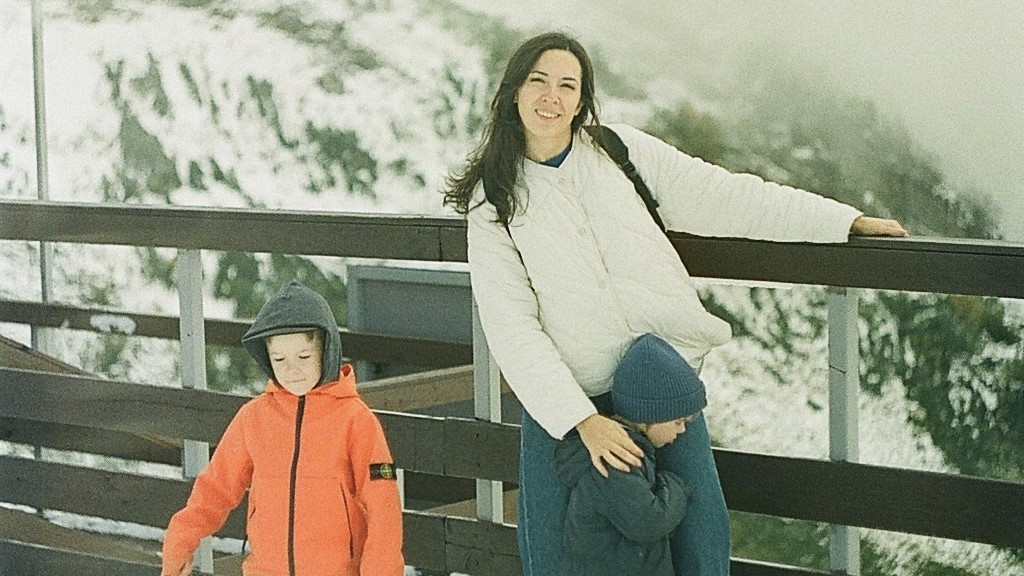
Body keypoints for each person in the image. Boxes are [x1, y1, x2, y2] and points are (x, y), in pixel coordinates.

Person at [443, 31, 907, 576]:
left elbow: (727, 196)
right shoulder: (493, 198)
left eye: (568, 85)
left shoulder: (618, 152)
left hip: (662, 388)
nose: (552, 96)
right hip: (569, 403)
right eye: (538, 81)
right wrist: (584, 421)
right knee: (558, 555)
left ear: (583, 98)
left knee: (700, 542)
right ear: (514, 91)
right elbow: (511, 326)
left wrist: (841, 221)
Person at [160, 281, 404, 576]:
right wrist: (180, 541)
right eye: (279, 359)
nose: (292, 369)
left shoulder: (356, 421)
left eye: (303, 357)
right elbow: (215, 488)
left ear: (326, 352)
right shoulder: (254, 418)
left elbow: (383, 507)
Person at [555, 333, 705, 576]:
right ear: (650, 415)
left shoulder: (629, 451)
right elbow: (648, 522)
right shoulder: (615, 458)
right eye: (678, 421)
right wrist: (675, 486)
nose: (682, 430)